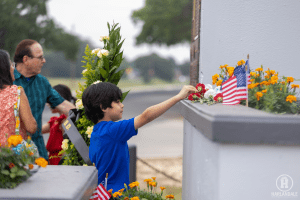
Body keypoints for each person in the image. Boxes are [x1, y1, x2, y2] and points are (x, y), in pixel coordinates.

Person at [82, 82, 197, 192]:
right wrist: (178, 97)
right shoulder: (112, 131)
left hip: (104, 192)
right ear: (103, 107)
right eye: (117, 102)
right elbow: (146, 116)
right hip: (117, 194)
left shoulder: (96, 132)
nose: (122, 105)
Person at [13, 39, 75, 160]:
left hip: (38, 150)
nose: (44, 61)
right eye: (40, 57)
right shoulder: (7, 80)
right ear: (26, 60)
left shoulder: (42, 82)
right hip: (11, 150)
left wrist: (89, 117)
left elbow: (63, 105)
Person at [0, 49, 37, 146]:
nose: (13, 68)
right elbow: (31, 127)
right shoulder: (16, 92)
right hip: (11, 155)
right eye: (11, 65)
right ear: (4, 69)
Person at [41, 84, 76, 165]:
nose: (47, 104)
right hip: (52, 163)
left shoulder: (67, 121)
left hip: (61, 165)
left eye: (49, 100)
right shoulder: (56, 122)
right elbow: (36, 130)